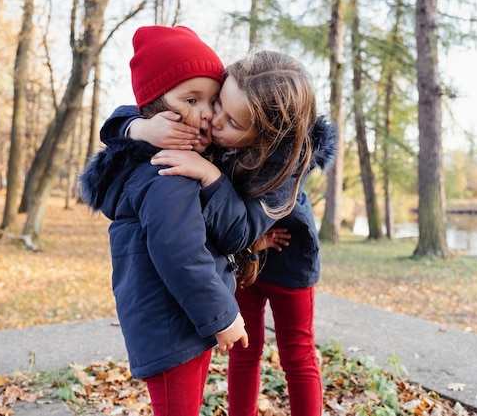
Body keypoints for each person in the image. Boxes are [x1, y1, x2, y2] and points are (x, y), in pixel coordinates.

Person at [100, 50, 338, 416]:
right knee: (244, 348)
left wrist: (209, 175)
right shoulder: (220, 123)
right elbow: (131, 112)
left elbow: (241, 228)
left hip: (288, 263)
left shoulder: (286, 165)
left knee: (297, 350)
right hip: (241, 265)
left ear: (269, 135)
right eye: (217, 104)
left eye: (233, 122)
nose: (214, 121)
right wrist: (140, 128)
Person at [78, 25, 258, 416]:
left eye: (211, 100)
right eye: (190, 100)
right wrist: (223, 317)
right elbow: (179, 251)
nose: (206, 114)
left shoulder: (174, 158)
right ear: (156, 108)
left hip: (178, 321)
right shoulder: (168, 171)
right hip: (173, 325)